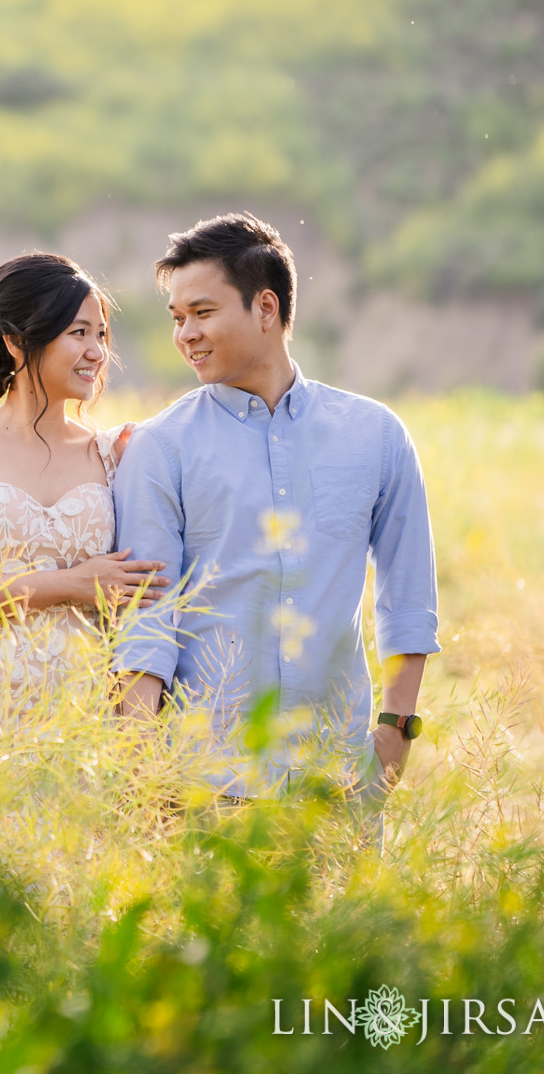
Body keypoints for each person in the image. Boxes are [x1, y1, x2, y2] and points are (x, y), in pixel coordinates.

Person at [110, 213, 439, 805]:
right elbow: (145, 624)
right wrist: (145, 776)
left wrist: (395, 736)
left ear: (266, 308)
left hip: (338, 777)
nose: (185, 334)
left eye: (202, 313)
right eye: (177, 319)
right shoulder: (160, 447)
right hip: (207, 783)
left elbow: (408, 599)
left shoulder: (376, 435)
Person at [0, 253, 168, 760]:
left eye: (102, 335)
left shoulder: (115, 454)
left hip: (83, 719)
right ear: (17, 339)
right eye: (78, 333)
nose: (96, 352)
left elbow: (145, 593)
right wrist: (70, 584)